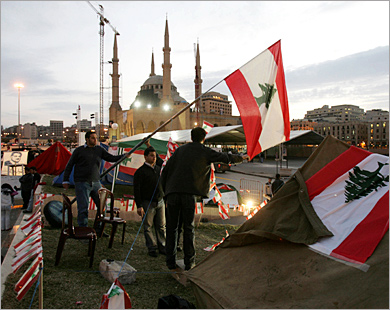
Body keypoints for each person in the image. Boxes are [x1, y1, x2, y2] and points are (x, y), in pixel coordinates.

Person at [161, 127, 250, 271]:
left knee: (172, 228)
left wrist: (166, 192)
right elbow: (225, 158)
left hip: (172, 194)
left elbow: (165, 171)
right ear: (204, 138)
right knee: (188, 228)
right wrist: (242, 157)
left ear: (191, 137)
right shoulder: (204, 151)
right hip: (188, 194)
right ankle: (189, 262)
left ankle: (170, 262)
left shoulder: (179, 151)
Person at [62, 130, 129, 232]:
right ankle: (83, 229)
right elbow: (69, 165)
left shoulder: (99, 150)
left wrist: (123, 156)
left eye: (96, 138)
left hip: (96, 182)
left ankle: (98, 228)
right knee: (83, 208)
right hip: (82, 182)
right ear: (87, 139)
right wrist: (65, 180)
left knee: (102, 206)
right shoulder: (79, 151)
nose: (95, 140)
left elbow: (111, 158)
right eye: (93, 138)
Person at [134, 144, 166, 257]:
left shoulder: (158, 169)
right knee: (148, 226)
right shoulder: (140, 172)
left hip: (160, 201)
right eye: (152, 156)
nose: (154, 158)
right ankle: (152, 247)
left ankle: (162, 246)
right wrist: (139, 205)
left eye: (155, 156)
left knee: (161, 225)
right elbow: (136, 190)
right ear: (145, 157)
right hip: (147, 202)